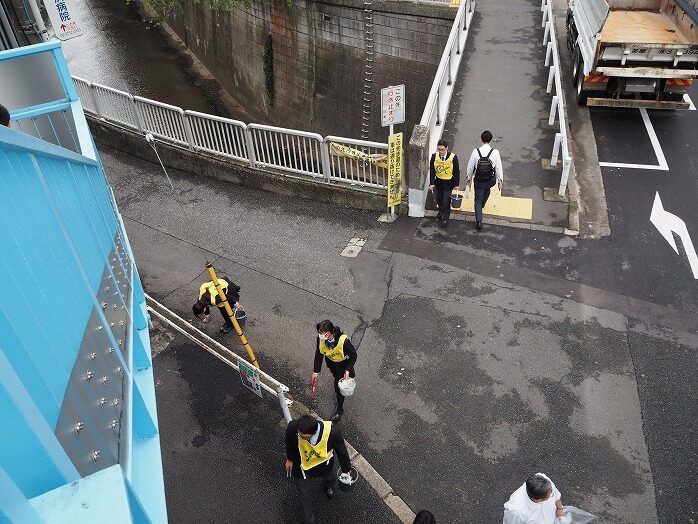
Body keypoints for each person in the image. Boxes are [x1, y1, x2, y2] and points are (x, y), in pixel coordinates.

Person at [285, 415, 353, 524]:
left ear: (314, 432)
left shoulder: (332, 432)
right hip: (302, 467)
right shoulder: (293, 427)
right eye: (300, 435)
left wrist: (346, 469)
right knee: (304, 496)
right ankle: (309, 521)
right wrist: (290, 459)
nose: (301, 438)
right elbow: (289, 442)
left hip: (323, 465)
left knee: (330, 478)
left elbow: (342, 451)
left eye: (305, 437)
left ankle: (329, 486)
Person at [312, 320, 357, 422]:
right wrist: (316, 371)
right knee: (336, 378)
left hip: (343, 366)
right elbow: (319, 354)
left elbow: (353, 356)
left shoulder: (344, 342)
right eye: (319, 333)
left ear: (330, 332)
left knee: (338, 388)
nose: (321, 336)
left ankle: (339, 409)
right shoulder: (321, 339)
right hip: (332, 365)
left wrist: (347, 369)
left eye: (323, 333)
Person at [466, 130, 504, 230]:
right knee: (486, 190)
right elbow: (498, 167)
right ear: (491, 140)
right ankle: (483, 204)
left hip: (479, 180)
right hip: (490, 180)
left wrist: (468, 178)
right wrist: (500, 181)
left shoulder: (475, 151)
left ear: (481, 140)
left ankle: (479, 221)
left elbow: (470, 167)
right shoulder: (495, 152)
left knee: (477, 200)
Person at [428, 139, 460, 228]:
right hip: (438, 182)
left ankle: (446, 217)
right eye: (439, 149)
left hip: (449, 183)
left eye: (442, 149)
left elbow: (456, 171)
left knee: (446, 200)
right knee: (439, 199)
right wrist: (432, 183)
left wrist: (457, 184)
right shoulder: (434, 156)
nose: (441, 151)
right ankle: (441, 211)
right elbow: (432, 170)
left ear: (447, 148)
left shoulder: (453, 157)